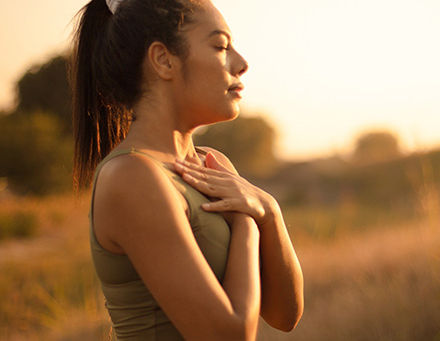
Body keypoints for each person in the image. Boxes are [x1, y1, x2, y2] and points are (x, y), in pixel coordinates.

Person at [71, 0, 304, 339]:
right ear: (163, 60)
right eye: (220, 46)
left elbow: (285, 316)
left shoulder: (214, 164)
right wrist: (247, 222)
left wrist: (269, 211)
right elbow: (231, 335)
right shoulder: (132, 176)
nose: (241, 64)